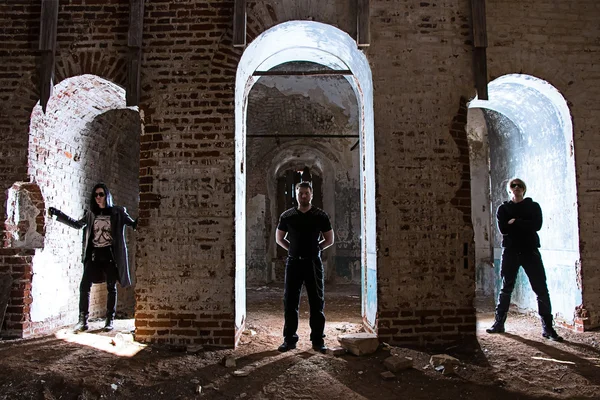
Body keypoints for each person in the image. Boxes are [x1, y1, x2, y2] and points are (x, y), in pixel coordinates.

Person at [48, 183, 137, 332]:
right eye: (95, 195)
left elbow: (133, 224)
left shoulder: (118, 212)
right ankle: (82, 320)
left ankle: (110, 320)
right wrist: (58, 214)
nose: (98, 197)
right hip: (94, 255)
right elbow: (77, 224)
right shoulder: (91, 214)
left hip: (110, 255)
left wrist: (143, 219)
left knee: (111, 287)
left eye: (101, 194)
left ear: (107, 196)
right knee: (84, 286)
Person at [486, 178, 563, 341]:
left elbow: (537, 225)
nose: (516, 188)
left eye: (519, 185)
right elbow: (503, 229)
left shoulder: (533, 207)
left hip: (530, 250)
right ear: (509, 190)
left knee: (541, 288)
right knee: (506, 288)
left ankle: (548, 328)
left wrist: (516, 222)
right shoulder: (503, 208)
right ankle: (499, 323)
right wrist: (522, 224)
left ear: (524, 189)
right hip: (511, 251)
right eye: (513, 185)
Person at [275, 181, 334, 353]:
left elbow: (329, 239)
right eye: (300, 193)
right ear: (296, 194)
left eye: (306, 193)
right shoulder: (287, 216)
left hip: (313, 263)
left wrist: (318, 248)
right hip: (294, 263)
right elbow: (279, 239)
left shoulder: (320, 216)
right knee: (290, 302)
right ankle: (289, 340)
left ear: (311, 194)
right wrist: (292, 249)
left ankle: (317, 340)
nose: (303, 196)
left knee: (316, 302)